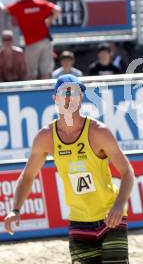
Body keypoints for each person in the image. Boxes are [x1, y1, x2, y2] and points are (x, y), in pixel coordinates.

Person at [3, 74, 135, 263]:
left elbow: (127, 172)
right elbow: (28, 176)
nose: (69, 98)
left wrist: (119, 204)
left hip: (110, 217)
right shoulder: (46, 137)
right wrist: (15, 209)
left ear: (81, 98)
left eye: (74, 93)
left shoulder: (98, 132)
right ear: (54, 98)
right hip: (79, 220)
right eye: (64, 93)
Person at [0, 0, 61, 79]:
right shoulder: (40, 4)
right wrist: (50, 20)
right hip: (45, 41)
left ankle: (32, 93)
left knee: (31, 72)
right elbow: (57, 9)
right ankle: (46, 93)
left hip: (32, 43)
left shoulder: (19, 6)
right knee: (45, 72)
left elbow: (3, 10)